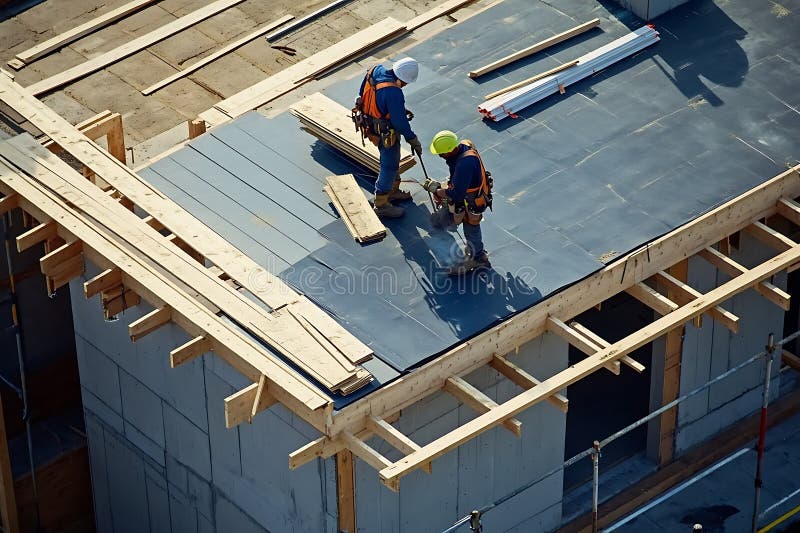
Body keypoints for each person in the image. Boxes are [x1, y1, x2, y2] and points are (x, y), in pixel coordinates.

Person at [354, 57, 423, 218]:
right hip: (385, 131)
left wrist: (397, 108)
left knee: (392, 161)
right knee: (389, 165)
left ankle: (392, 191)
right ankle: (382, 204)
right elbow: (399, 122)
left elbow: (362, 94)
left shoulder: (374, 70)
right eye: (405, 83)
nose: (404, 86)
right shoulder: (393, 92)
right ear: (400, 77)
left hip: (370, 124)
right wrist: (412, 138)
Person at [424, 130, 493, 275]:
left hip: (472, 202)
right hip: (470, 194)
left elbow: (456, 194)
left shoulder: (464, 164)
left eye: (441, 153)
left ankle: (478, 258)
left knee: (471, 227)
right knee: (438, 220)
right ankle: (440, 223)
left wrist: (436, 189)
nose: (440, 156)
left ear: (449, 151)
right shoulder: (464, 146)